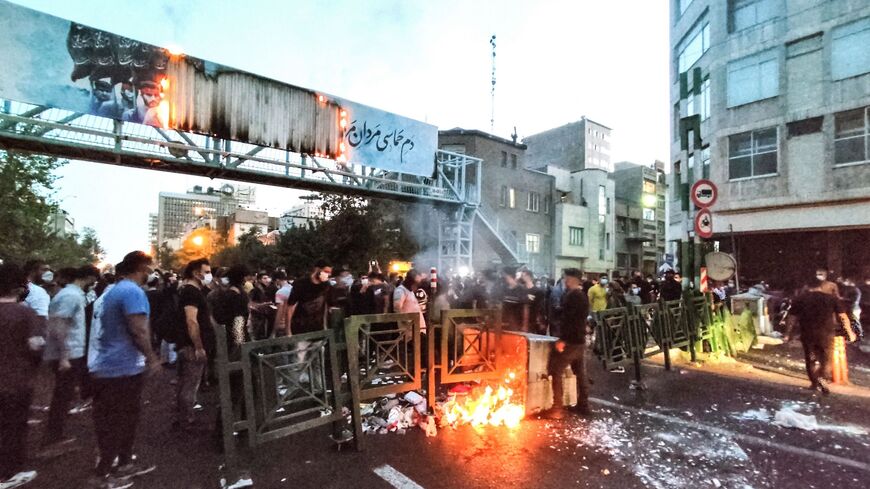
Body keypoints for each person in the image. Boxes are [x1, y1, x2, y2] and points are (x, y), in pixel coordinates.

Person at [87, 251, 159, 488]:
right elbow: (138, 330)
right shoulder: (132, 291)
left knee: (122, 419)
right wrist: (152, 357)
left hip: (110, 365)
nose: (153, 271)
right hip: (120, 368)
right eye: (150, 267)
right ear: (141, 267)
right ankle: (104, 473)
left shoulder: (113, 291)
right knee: (116, 420)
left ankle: (124, 463)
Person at [40, 265, 100, 452]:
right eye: (93, 279)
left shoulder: (71, 294)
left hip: (69, 353)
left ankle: (55, 436)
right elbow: (59, 325)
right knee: (61, 396)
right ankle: (52, 439)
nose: (94, 283)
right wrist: (64, 356)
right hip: (68, 353)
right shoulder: (71, 296)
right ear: (89, 277)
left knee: (63, 395)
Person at [0, 264, 43, 488]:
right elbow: (36, 346)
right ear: (19, 286)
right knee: (14, 427)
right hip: (16, 380)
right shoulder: (25, 313)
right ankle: (9, 473)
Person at [786, 277, 849, 395]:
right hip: (826, 334)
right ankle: (822, 377)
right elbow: (843, 316)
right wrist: (849, 331)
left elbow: (792, 317)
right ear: (823, 286)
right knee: (826, 359)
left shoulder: (801, 298)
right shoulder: (831, 299)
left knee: (810, 358)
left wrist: (788, 334)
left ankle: (814, 383)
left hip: (807, 333)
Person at [543, 268, 590, 419]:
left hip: (571, 341)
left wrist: (562, 339)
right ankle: (584, 405)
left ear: (573, 280)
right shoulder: (582, 296)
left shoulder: (573, 297)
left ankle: (557, 408)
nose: (565, 281)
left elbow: (570, 321)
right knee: (580, 373)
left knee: (555, 370)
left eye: (567, 279)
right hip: (580, 340)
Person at [174, 258, 213, 431]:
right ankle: (186, 420)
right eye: (206, 272)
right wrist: (198, 346)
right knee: (190, 384)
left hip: (189, 344)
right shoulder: (191, 292)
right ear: (196, 273)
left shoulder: (193, 290)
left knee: (186, 383)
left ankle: (183, 417)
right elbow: (192, 321)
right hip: (191, 346)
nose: (209, 275)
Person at [280, 260, 333, 336]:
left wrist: (325, 327)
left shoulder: (326, 285)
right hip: (300, 329)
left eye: (329, 272)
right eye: (326, 271)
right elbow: (290, 307)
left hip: (318, 330)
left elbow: (325, 306)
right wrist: (288, 331)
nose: (328, 274)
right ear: (317, 269)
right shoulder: (301, 284)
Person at [23, 259, 52, 338]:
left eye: (49, 270)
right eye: (44, 270)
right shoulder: (38, 292)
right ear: (32, 271)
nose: (49, 273)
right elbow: (41, 320)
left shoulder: (16, 287)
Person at [500, 267, 529, 332]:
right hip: (504, 323)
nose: (503, 277)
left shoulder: (521, 289)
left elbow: (526, 308)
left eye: (505, 275)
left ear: (509, 276)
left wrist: (525, 325)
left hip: (517, 323)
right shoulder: (504, 289)